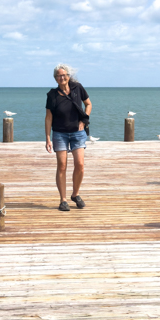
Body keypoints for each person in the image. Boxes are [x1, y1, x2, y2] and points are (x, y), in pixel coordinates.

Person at [44, 64, 92, 211]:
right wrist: (48, 138)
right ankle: (63, 200)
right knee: (62, 166)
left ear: (68, 76)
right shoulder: (52, 95)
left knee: (80, 165)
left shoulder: (78, 88)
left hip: (78, 133)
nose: (62, 77)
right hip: (60, 133)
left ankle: (75, 194)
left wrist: (84, 121)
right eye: (59, 76)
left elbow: (88, 104)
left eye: (64, 75)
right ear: (55, 78)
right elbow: (48, 118)